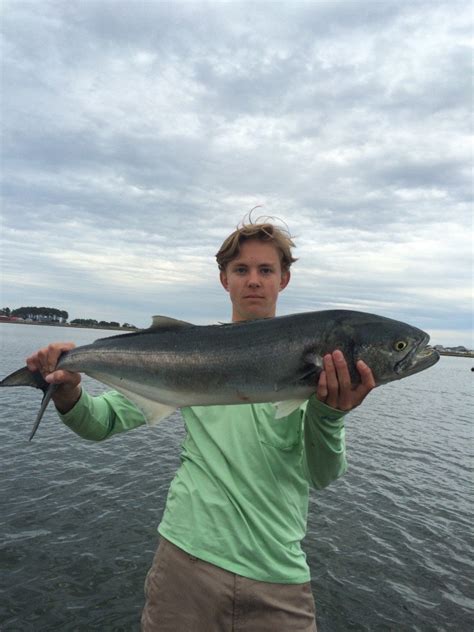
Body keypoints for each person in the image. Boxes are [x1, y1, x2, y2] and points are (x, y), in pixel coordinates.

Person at [26, 219, 375, 631]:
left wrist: (330, 415)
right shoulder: (187, 353)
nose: (254, 281)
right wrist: (66, 392)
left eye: (266, 270)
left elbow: (321, 474)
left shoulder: (320, 372)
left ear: (284, 279)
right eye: (241, 270)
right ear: (224, 279)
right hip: (185, 562)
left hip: (277, 574)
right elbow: (101, 423)